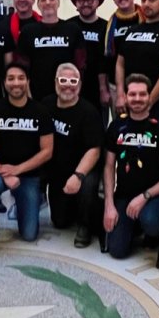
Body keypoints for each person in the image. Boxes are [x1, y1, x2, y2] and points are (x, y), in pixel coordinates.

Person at [0, 63, 53, 258]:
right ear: (4, 83)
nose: (16, 83)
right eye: (11, 78)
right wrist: (3, 172)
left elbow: (47, 152)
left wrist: (17, 170)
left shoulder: (40, 111)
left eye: (20, 78)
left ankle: (20, 200)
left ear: (28, 82)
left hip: (28, 174)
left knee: (29, 234)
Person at [102, 75, 159, 259]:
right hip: (123, 195)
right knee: (117, 252)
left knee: (151, 222)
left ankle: (151, 228)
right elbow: (108, 167)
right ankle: (133, 224)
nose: (137, 99)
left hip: (153, 196)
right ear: (126, 97)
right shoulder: (116, 126)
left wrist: (145, 197)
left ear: (149, 96)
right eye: (133, 94)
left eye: (142, 94)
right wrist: (109, 205)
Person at [45, 63, 103, 248]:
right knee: (60, 222)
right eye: (63, 80)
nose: (67, 85)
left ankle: (86, 225)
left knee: (86, 186)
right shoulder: (45, 105)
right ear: (55, 83)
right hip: (57, 170)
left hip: (84, 169)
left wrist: (78, 176)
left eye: (73, 81)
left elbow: (94, 150)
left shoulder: (89, 112)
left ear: (79, 85)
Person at [17, 0, 86, 101]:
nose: (48, 2)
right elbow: (22, 67)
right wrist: (27, 94)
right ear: (38, 4)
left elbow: (81, 66)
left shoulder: (73, 29)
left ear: (58, 2)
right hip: (37, 94)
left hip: (66, 92)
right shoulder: (28, 31)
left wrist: (77, 90)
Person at [68, 0, 110, 114]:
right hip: (72, 86)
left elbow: (106, 60)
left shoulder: (107, 27)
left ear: (97, 2)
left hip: (98, 88)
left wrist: (104, 89)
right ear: (76, 4)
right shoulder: (68, 26)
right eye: (81, 0)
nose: (85, 3)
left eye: (90, 0)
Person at [104, 0, 142, 115]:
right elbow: (106, 58)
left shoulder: (145, 19)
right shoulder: (110, 25)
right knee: (119, 125)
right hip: (115, 86)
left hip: (142, 83)